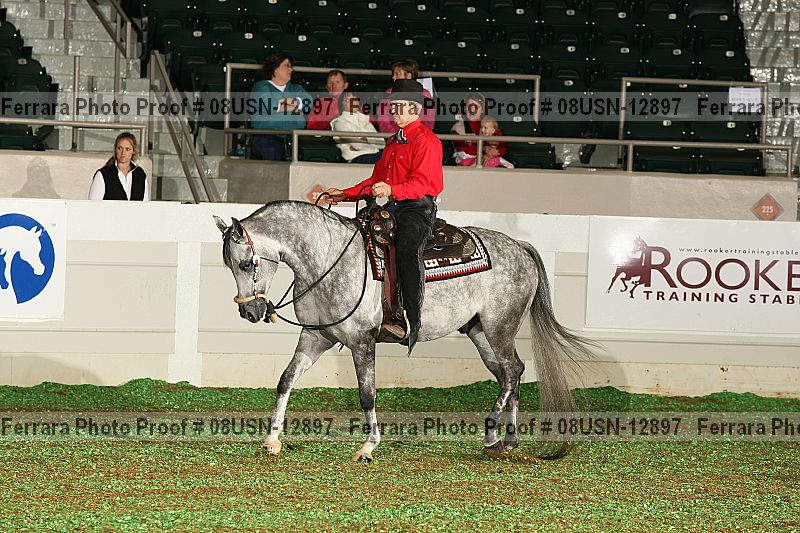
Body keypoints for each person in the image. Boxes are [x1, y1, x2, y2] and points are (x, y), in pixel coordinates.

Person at [325, 79, 443, 353]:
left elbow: (421, 184)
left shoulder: (427, 141)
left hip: (417, 208)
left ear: (415, 109)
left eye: (400, 106)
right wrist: (345, 194)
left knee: (406, 249)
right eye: (393, 106)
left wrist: (392, 190)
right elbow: (376, 179)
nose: (394, 111)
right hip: (394, 205)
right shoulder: (393, 141)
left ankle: (410, 318)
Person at [249, 52, 312, 160]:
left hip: (293, 136)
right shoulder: (261, 87)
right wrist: (295, 107)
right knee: (271, 150)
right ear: (275, 69)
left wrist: (280, 106)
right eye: (287, 65)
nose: (291, 69)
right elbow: (268, 105)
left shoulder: (296, 88)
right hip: (266, 136)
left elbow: (308, 103)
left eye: (291, 66)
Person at [377, 59, 435, 133]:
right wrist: (395, 135)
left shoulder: (425, 94)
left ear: (408, 75)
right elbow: (383, 120)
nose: (393, 77)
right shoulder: (388, 93)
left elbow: (429, 121)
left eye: (397, 74)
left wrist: (419, 134)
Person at [88, 132, 149, 201]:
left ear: (133, 151)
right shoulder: (103, 174)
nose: (123, 153)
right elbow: (93, 204)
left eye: (127, 149)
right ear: (115, 149)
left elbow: (145, 204)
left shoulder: (140, 175)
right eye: (120, 148)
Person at [450, 92, 508, 165]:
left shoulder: (490, 124)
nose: (472, 110)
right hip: (467, 168)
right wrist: (485, 149)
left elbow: (502, 147)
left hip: (490, 166)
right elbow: (463, 149)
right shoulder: (458, 127)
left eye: (476, 107)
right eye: (469, 106)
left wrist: (492, 153)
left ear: (482, 110)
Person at [330, 92, 384, 164]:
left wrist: (364, 140)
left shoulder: (364, 119)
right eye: (348, 100)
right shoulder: (339, 123)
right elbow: (358, 145)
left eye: (355, 99)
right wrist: (370, 141)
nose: (353, 102)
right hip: (356, 158)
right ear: (342, 104)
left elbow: (382, 143)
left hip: (374, 155)